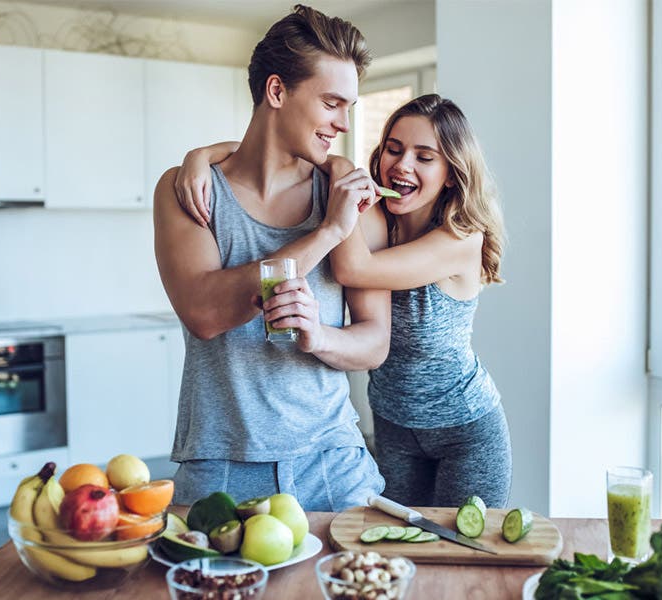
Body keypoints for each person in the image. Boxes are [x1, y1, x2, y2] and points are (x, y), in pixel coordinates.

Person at [177, 94, 512, 508]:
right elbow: (271, 146)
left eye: (425, 157)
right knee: (401, 553)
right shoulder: (377, 219)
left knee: (465, 558)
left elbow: (353, 269)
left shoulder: (460, 240)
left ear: (450, 174)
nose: (403, 165)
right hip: (392, 426)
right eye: (394, 149)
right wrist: (202, 155)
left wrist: (338, 170)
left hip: (464, 430)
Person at [152, 5, 390, 512]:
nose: (343, 125)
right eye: (331, 104)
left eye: (348, 107)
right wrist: (326, 233)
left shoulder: (345, 190)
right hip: (221, 467)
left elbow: (374, 344)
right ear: (277, 91)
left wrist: (319, 335)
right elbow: (204, 313)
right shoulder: (191, 189)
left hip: (335, 466)